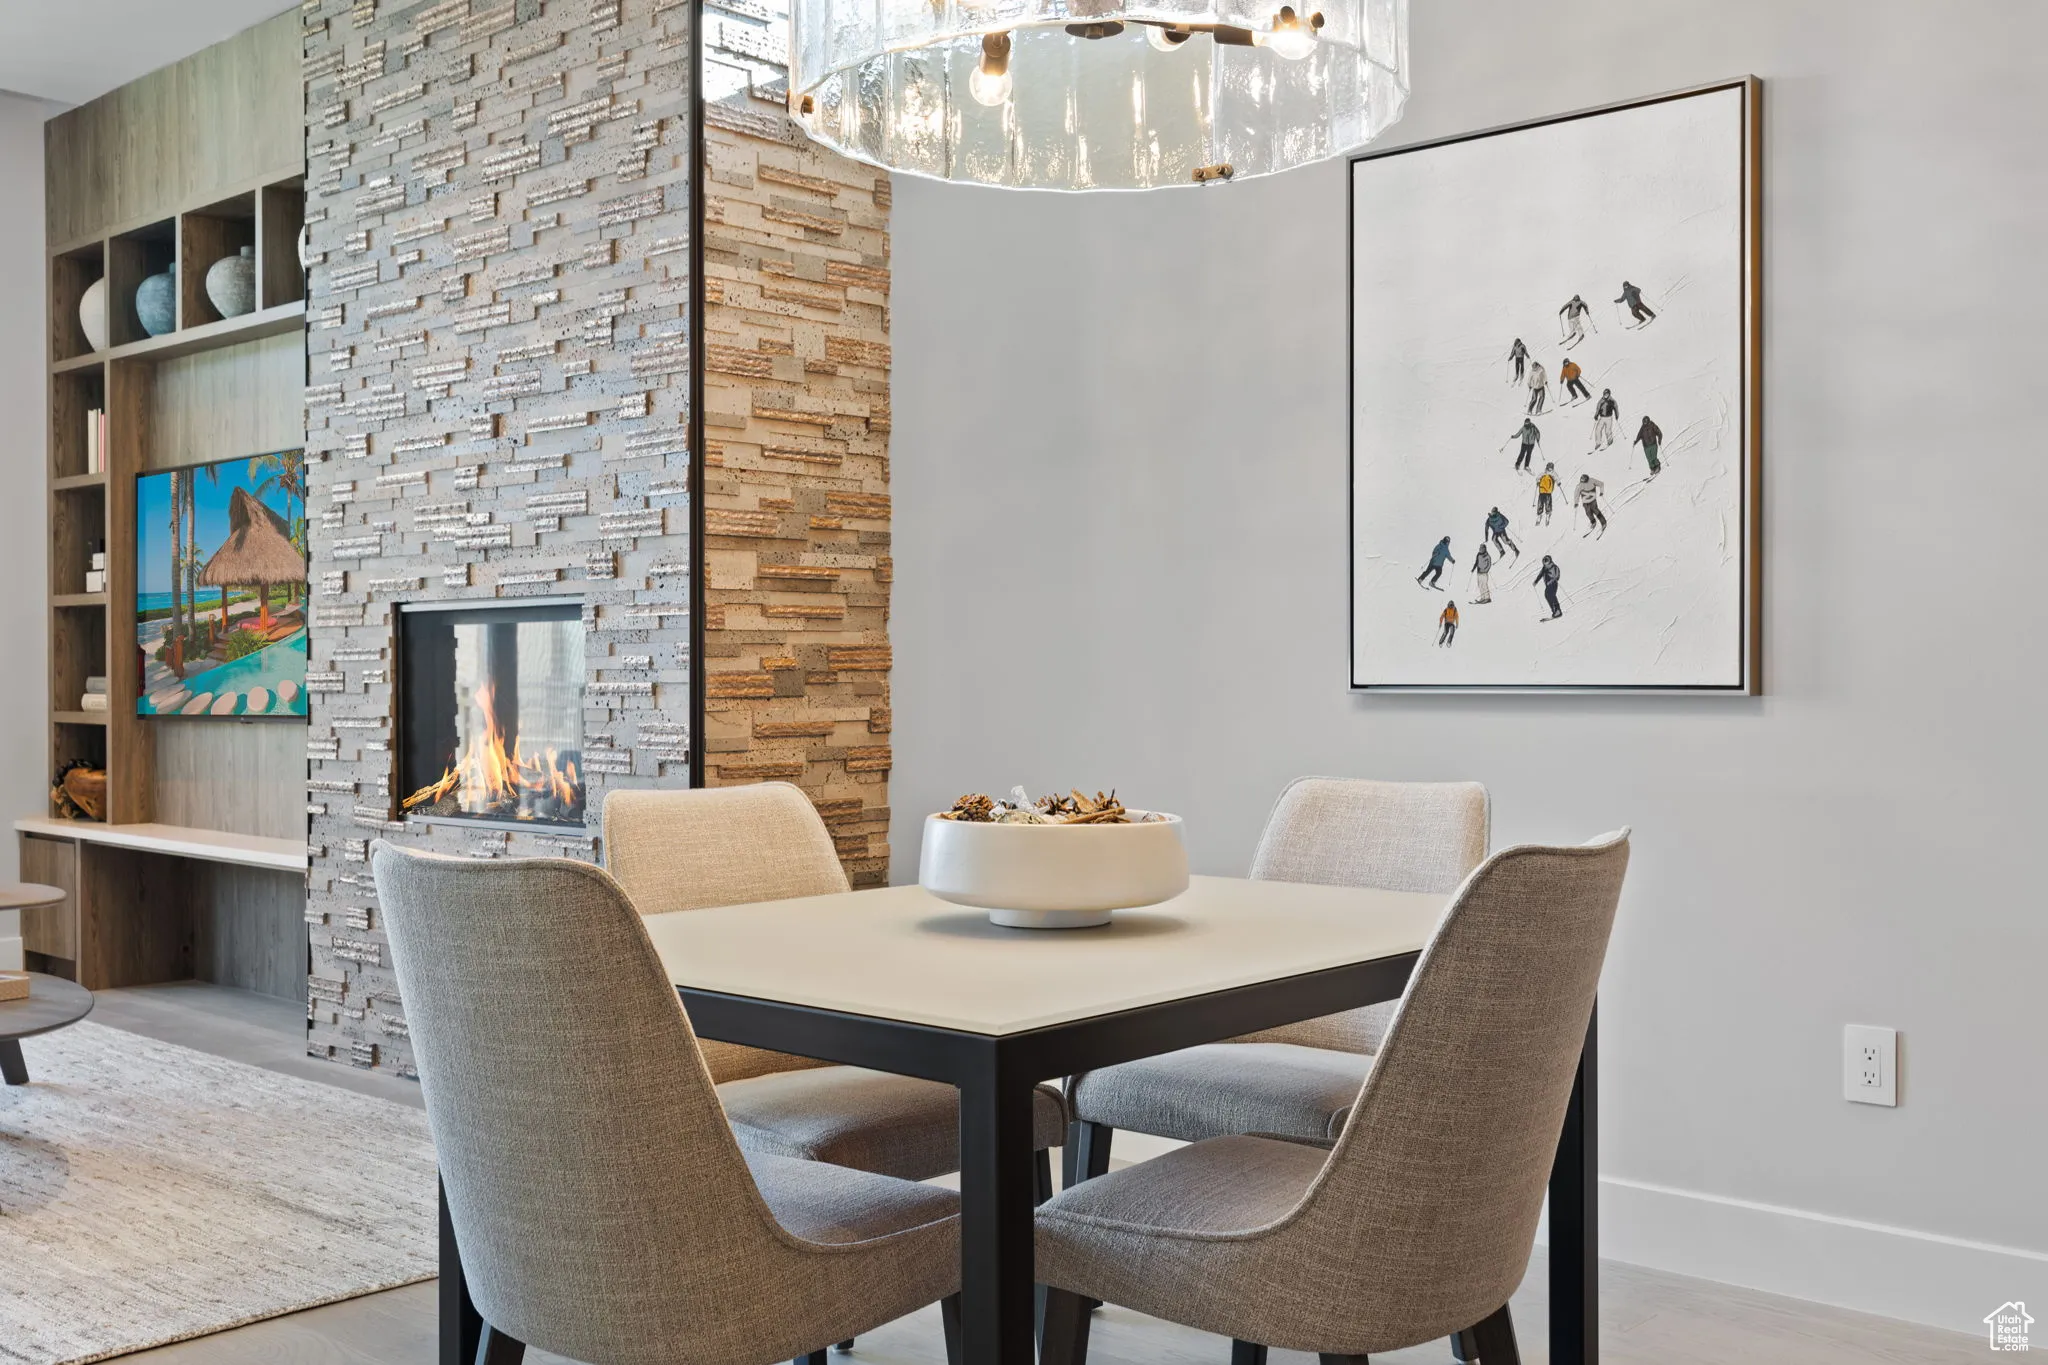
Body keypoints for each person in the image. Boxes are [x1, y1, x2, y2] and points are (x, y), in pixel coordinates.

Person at [1576, 472, 1608, 537]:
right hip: (1585, 502)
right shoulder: (1579, 486)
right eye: (1582, 481)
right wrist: (1576, 502)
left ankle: (1603, 522)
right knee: (1588, 513)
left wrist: (1601, 492)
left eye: (1584, 481)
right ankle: (1593, 522)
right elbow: (1576, 494)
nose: (1583, 482)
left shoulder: (1592, 481)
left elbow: (1601, 484)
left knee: (1596, 510)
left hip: (1592, 500)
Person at [1532, 554, 1563, 619]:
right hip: (1548, 585)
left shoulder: (1554, 567)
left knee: (1551, 595)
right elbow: (1540, 575)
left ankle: (1557, 610)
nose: (1545, 564)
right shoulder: (1544, 568)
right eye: (1544, 562)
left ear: (1550, 561)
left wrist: (1552, 580)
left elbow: (1557, 575)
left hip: (1553, 584)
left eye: (1546, 561)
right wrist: (1536, 581)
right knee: (1547, 595)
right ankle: (1555, 611)